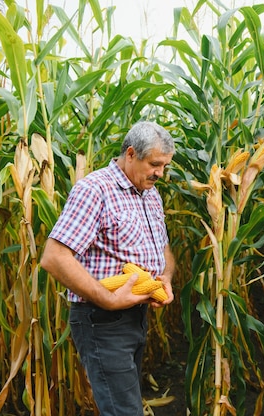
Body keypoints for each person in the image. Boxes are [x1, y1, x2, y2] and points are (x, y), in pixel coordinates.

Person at [40, 121, 176, 415]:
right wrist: (108, 299)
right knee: (123, 411)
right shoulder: (95, 189)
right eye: (155, 164)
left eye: (165, 166)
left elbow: (163, 247)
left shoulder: (150, 194)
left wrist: (165, 276)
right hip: (101, 320)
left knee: (122, 405)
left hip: (136, 317)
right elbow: (54, 256)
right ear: (130, 154)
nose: (160, 174)